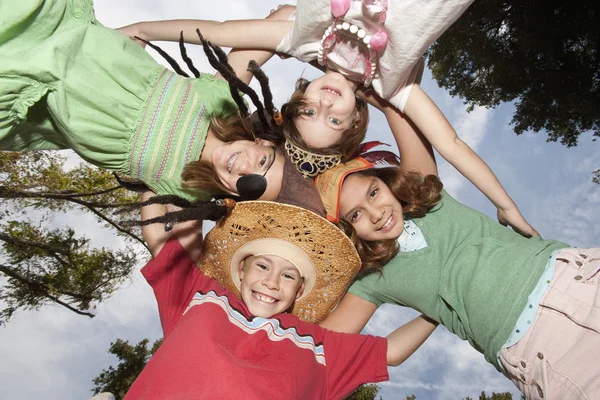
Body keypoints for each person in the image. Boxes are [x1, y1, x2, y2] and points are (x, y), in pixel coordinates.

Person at [117, 1, 538, 236]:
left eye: (310, 111)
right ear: (358, 117)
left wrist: (144, 29)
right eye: (332, 120)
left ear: (299, 97)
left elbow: (221, 30)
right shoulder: (396, 88)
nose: (328, 104)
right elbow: (452, 146)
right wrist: (506, 206)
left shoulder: (300, 39)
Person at [313, 95, 600, 400]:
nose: (376, 212)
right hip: (541, 349)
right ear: (347, 230)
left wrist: (357, 85)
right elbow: (315, 344)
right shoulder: (372, 280)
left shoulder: (428, 195)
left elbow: (393, 101)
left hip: (575, 279)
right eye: (355, 214)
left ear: (386, 182)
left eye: (373, 192)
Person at [125, 193, 438, 399]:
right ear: (243, 269)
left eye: (288, 275)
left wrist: (440, 305)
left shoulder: (318, 343)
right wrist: (154, 175)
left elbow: (393, 351)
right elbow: (158, 235)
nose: (271, 282)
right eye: (262, 266)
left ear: (299, 290)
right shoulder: (202, 296)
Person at [0, 0, 299, 203]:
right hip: (74, 42)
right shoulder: (223, 103)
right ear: (264, 143)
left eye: (250, 185)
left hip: (32, 87)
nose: (244, 167)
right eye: (262, 162)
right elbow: (285, 15)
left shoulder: (188, 191)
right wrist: (142, 29)